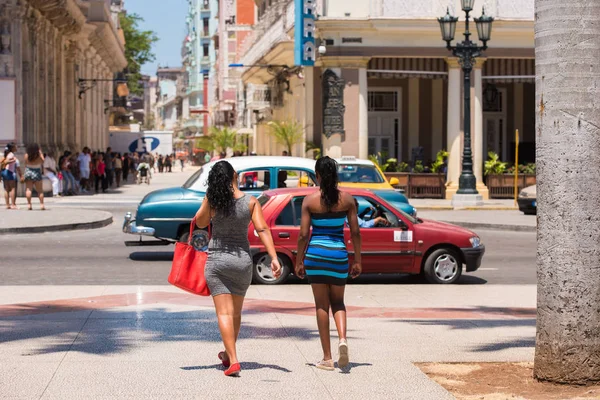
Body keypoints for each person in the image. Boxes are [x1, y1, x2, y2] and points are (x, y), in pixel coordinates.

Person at [193, 160, 282, 377]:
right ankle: (227, 353)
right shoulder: (251, 202)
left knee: (224, 312)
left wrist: (208, 198)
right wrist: (273, 257)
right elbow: (262, 229)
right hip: (242, 262)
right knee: (236, 313)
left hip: (217, 263)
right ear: (235, 175)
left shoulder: (213, 201)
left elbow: (200, 222)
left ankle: (233, 360)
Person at [295, 156, 362, 371]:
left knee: (321, 305)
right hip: (338, 256)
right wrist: (358, 260)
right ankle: (343, 339)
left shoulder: (310, 201)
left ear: (318, 176)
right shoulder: (348, 200)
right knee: (339, 303)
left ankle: (327, 358)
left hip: (315, 255)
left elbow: (304, 235)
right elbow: (355, 232)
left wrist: (299, 260)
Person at [22, 143, 46, 210]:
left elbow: (25, 163)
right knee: (40, 190)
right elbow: (43, 160)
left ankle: (29, 204)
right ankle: (41, 204)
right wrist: (40, 153)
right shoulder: (38, 156)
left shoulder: (26, 155)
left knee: (28, 189)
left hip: (28, 170)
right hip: (37, 171)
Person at [2, 143, 21, 209]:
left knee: (6, 189)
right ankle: (13, 204)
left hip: (4, 172)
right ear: (12, 148)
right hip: (10, 172)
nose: (16, 147)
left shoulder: (6, 154)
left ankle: (7, 205)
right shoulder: (11, 154)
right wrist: (14, 160)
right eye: (15, 146)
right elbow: (6, 162)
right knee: (13, 189)